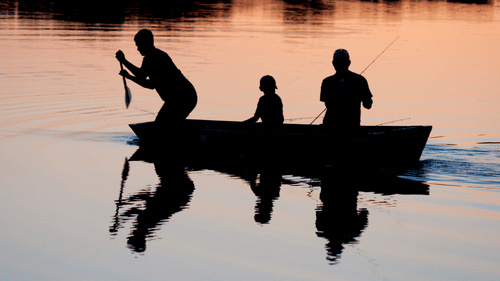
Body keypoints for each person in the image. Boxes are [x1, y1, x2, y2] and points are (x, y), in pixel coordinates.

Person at [115, 29, 197, 125]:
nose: (137, 49)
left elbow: (141, 76)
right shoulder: (156, 55)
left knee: (162, 125)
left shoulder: (152, 58)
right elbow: (151, 84)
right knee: (167, 124)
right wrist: (129, 76)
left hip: (182, 98)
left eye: (138, 45)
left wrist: (124, 61)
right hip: (185, 96)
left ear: (146, 43)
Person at [320, 49, 373, 129]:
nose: (341, 63)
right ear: (333, 63)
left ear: (349, 63)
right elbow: (329, 105)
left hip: (352, 126)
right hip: (330, 126)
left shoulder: (360, 80)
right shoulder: (327, 82)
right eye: (338, 61)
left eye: (343, 61)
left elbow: (368, 105)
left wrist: (363, 94)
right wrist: (339, 95)